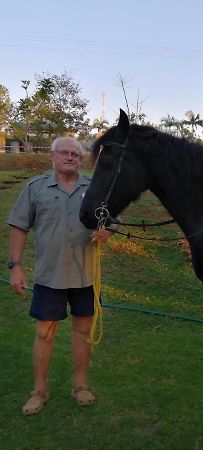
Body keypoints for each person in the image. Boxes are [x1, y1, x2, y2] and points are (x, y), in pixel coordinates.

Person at [7, 136, 112, 416]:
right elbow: (18, 227)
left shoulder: (94, 188)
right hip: (50, 277)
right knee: (45, 333)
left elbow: (110, 221)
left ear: (80, 158)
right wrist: (15, 266)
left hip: (86, 276)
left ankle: (81, 386)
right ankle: (39, 391)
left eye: (75, 154)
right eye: (64, 153)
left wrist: (106, 232)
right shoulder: (35, 188)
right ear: (52, 157)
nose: (70, 157)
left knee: (82, 332)